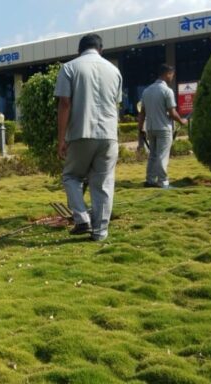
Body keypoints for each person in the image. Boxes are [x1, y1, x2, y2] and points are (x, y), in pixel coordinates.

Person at [54, 34, 123, 242]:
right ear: (100, 49)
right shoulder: (114, 71)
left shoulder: (70, 68)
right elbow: (115, 103)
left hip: (81, 133)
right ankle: (100, 233)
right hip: (109, 134)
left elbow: (65, 104)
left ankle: (82, 218)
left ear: (79, 50)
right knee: (103, 183)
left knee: (71, 176)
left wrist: (61, 139)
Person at [138, 64, 188, 189]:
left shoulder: (146, 91)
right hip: (163, 128)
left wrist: (140, 129)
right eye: (172, 74)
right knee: (162, 155)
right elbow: (172, 112)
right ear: (167, 74)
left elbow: (142, 113)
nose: (172, 77)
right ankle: (163, 181)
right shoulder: (167, 91)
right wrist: (182, 121)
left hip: (150, 128)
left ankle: (150, 180)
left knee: (153, 155)